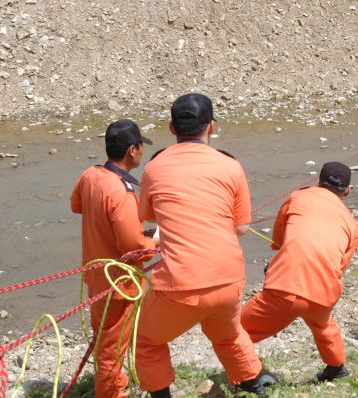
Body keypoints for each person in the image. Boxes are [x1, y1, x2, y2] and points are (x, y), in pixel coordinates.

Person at [135, 93, 271, 398]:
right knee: (227, 333)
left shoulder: (154, 168)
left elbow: (147, 216)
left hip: (178, 285)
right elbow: (242, 228)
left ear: (171, 128)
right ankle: (253, 383)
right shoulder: (230, 166)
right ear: (211, 126)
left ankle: (160, 394)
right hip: (227, 280)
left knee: (146, 340)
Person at [241, 161, 358, 382]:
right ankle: (337, 368)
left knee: (236, 330)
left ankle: (249, 377)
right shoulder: (352, 225)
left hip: (286, 286)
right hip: (324, 291)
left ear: (318, 182)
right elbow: (340, 266)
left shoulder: (299, 197)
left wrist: (279, 257)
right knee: (322, 324)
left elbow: (278, 238)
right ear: (347, 191)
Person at [70, 119, 156, 398]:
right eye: (141, 146)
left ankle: (113, 383)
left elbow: (76, 206)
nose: (141, 152)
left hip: (97, 276)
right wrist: (155, 241)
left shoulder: (90, 176)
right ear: (133, 150)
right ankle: (110, 393)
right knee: (112, 346)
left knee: (105, 340)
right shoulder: (121, 191)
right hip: (120, 284)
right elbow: (133, 246)